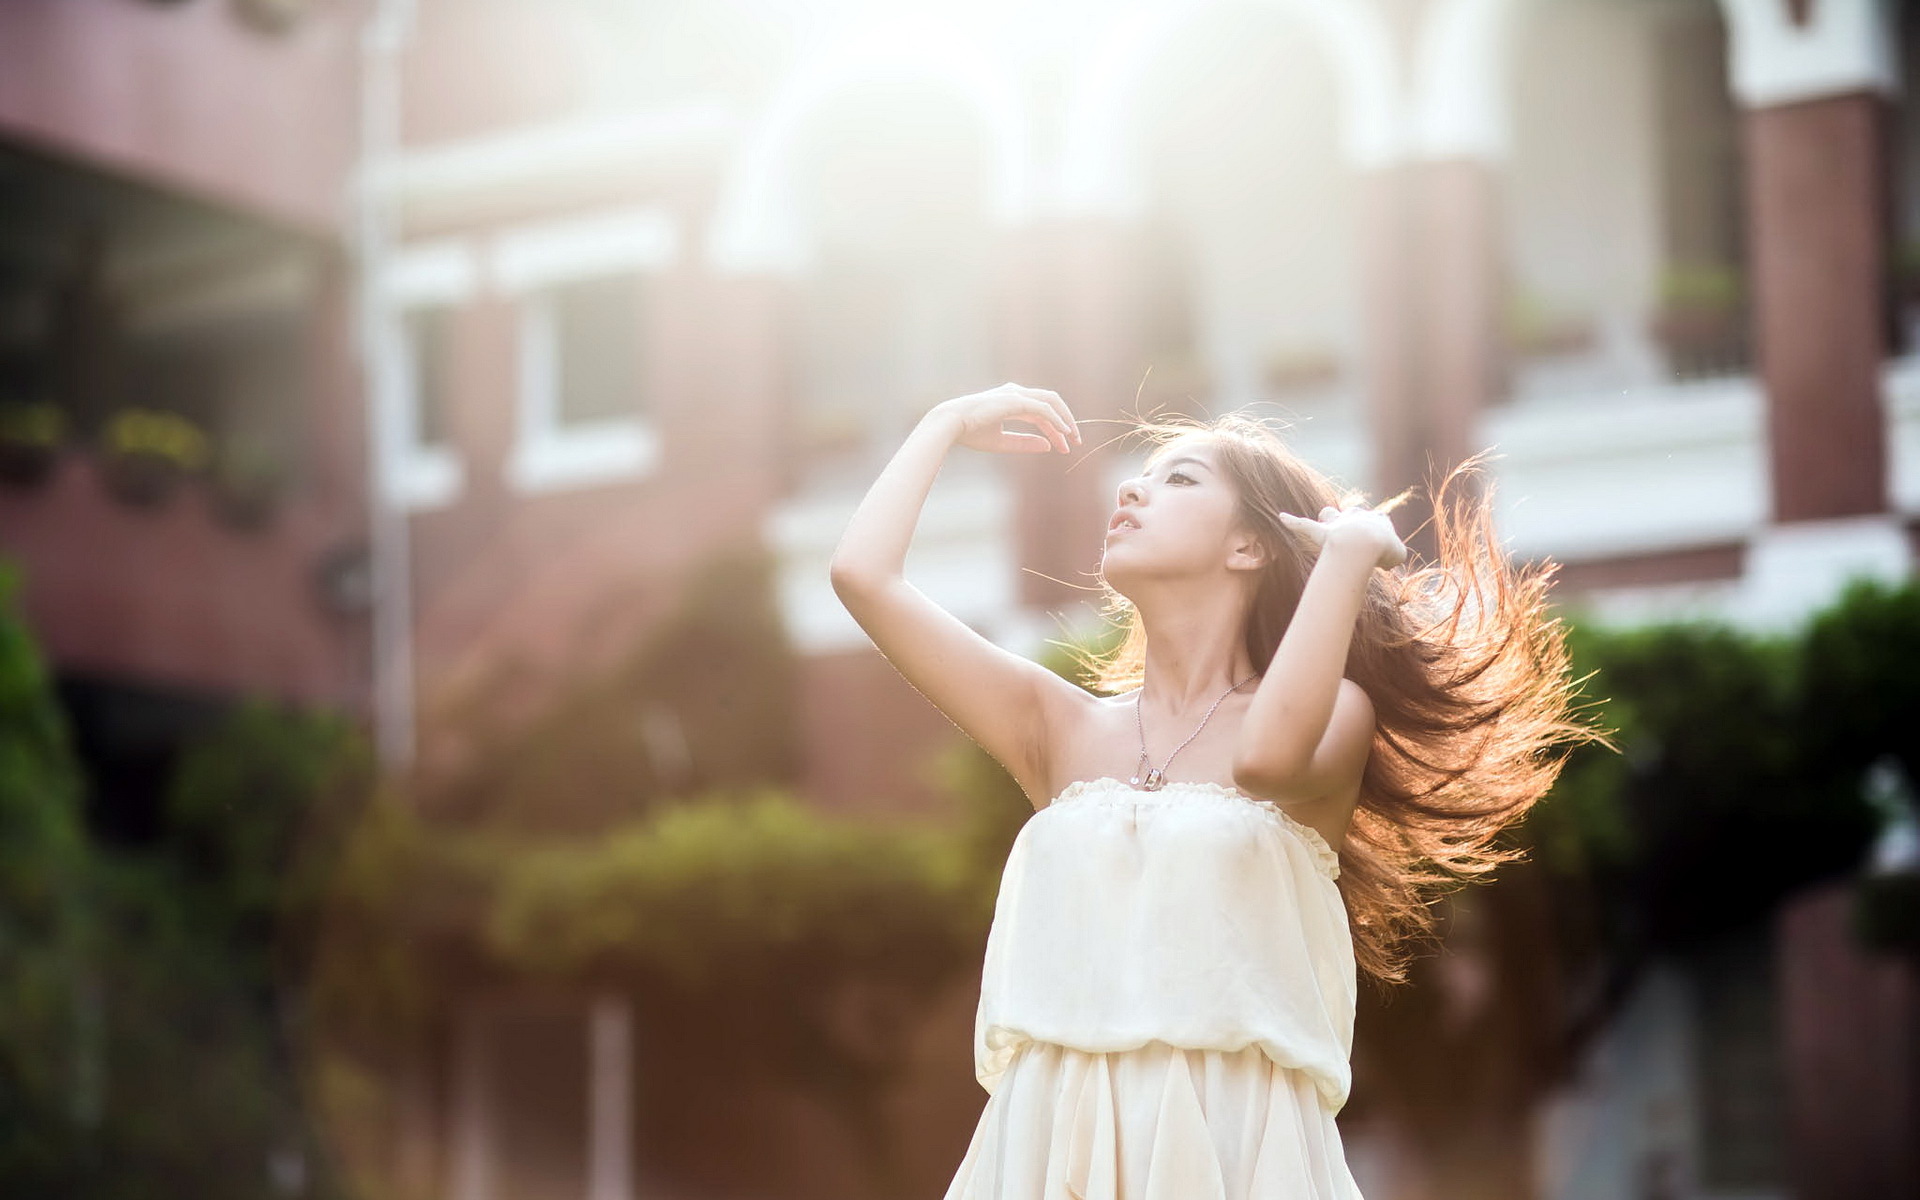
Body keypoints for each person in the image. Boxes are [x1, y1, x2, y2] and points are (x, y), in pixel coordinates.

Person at [828, 383, 1600, 1199]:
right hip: (1049, 1146)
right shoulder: (1055, 725)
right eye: (1141, 478)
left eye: (1180, 480)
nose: (1131, 491)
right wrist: (942, 424)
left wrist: (1344, 559)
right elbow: (863, 576)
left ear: (1250, 548)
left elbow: (1265, 761)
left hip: (1233, 1149)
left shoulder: (1335, 713)